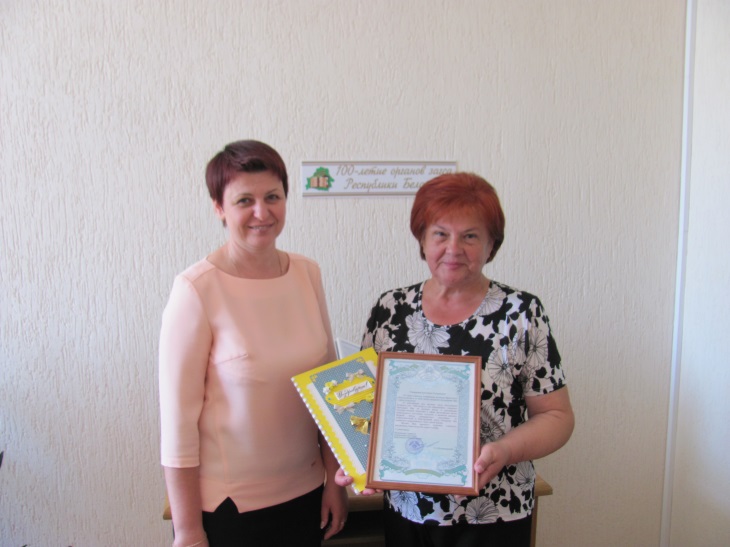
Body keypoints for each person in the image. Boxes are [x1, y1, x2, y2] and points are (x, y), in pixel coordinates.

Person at [336, 172, 574, 546]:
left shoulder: (521, 313)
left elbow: (557, 417)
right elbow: (368, 405)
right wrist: (358, 458)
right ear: (422, 239)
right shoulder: (391, 309)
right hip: (407, 509)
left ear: (492, 244)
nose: (453, 248)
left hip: (496, 510)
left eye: (470, 236)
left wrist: (505, 450)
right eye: (440, 234)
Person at [159, 140, 347, 547]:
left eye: (272, 197)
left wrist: (335, 481)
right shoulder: (196, 289)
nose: (262, 212)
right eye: (245, 200)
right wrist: (188, 531)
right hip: (230, 508)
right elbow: (177, 426)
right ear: (219, 207)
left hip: (306, 495)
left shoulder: (307, 274)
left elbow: (330, 388)